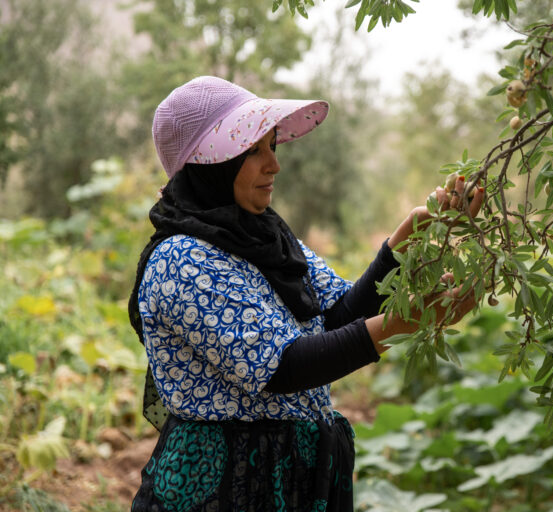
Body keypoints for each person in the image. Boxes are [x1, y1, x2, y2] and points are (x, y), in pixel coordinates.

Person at [128, 75, 484, 512]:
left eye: (272, 146)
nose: (273, 165)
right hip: (221, 488)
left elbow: (335, 317)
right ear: (209, 166)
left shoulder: (267, 238)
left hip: (287, 479)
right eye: (252, 151)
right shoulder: (181, 260)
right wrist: (408, 321)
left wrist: (405, 239)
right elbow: (283, 367)